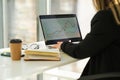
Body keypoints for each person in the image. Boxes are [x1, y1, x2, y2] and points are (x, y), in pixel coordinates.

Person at [52, 0, 120, 80]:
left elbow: (81, 51)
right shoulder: (116, 15)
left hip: (107, 74)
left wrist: (63, 45)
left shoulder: (106, 17)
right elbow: (100, 40)